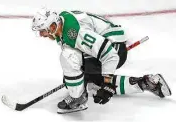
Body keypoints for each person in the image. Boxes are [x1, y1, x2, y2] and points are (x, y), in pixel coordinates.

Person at [32, 8, 171, 114]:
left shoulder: (75, 33)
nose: (41, 35)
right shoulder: (63, 23)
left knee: (73, 63)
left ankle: (78, 98)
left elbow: (110, 55)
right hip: (109, 42)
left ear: (52, 26)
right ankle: (146, 83)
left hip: (114, 48)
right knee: (82, 78)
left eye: (42, 31)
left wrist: (107, 83)